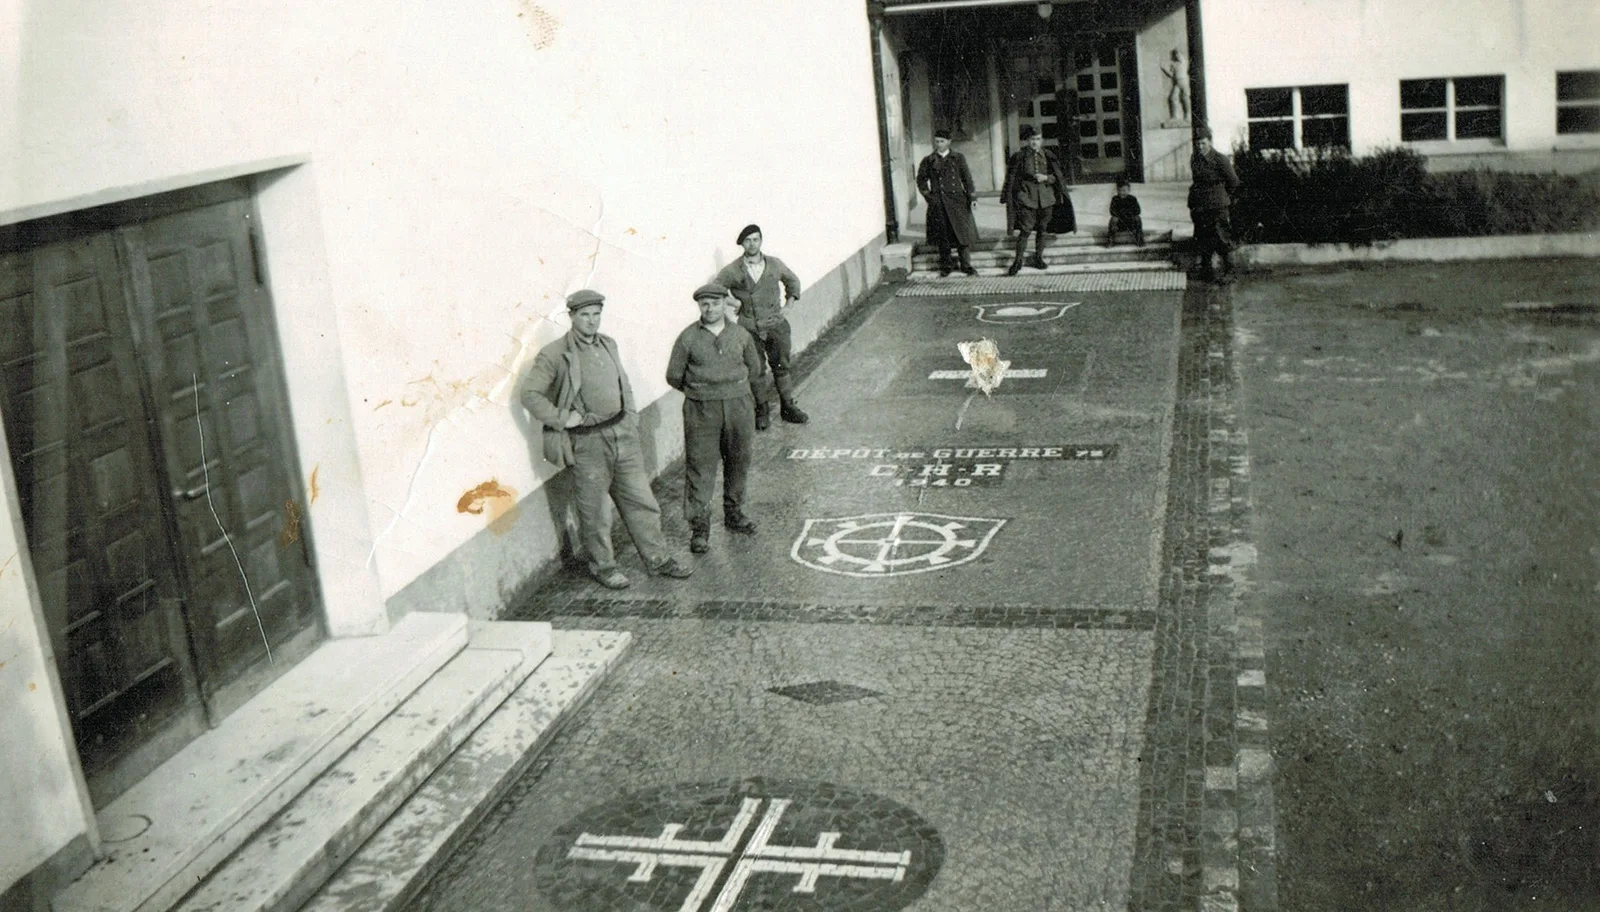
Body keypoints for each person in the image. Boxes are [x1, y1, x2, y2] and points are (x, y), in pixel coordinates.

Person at [520, 290, 694, 589]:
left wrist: (630, 417)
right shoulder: (554, 354)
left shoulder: (608, 344)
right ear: (571, 317)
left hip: (622, 436)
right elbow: (530, 394)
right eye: (584, 315)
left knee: (642, 501)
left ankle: (658, 558)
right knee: (595, 512)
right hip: (587, 444)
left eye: (596, 314)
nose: (591, 321)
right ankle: (604, 567)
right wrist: (563, 419)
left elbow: (622, 382)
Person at [666, 283, 766, 555]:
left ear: (725, 304)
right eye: (704, 304)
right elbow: (674, 375)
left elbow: (755, 369)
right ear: (700, 307)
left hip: (738, 405)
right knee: (700, 467)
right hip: (702, 410)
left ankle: (734, 513)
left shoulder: (741, 334)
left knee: (739, 459)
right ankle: (700, 528)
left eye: (715, 303)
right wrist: (702, 391)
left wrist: (733, 390)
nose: (710, 308)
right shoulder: (688, 338)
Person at [714, 225, 810, 429]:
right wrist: (735, 303)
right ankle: (762, 411)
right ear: (742, 244)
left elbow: (793, 281)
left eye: (756, 239)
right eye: (748, 240)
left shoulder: (774, 264)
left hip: (776, 324)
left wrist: (789, 304)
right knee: (755, 370)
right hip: (749, 328)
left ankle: (788, 407)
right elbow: (716, 288)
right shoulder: (734, 269)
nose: (752, 244)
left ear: (761, 241)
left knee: (782, 366)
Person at [1001, 125, 1073, 275]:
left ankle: (1038, 258)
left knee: (1042, 229)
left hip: (1046, 199)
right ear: (1027, 140)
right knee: (1025, 230)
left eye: (1038, 139)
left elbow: (1058, 177)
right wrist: (1019, 196)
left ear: (1042, 140)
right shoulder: (1019, 156)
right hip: (1027, 198)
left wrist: (1046, 177)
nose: (1035, 142)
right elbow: (1012, 178)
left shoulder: (1048, 155)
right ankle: (1018, 261)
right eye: (1032, 139)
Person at [915, 128, 980, 277]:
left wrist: (973, 198)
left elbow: (967, 179)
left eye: (942, 141)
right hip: (938, 203)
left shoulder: (958, 158)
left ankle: (966, 265)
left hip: (958, 201)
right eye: (937, 141)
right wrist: (929, 196)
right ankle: (946, 266)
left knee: (962, 235)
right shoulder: (929, 160)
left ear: (949, 142)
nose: (939, 144)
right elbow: (921, 180)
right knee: (943, 236)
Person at [1188, 127, 1242, 284]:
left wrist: (1223, 198)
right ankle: (1206, 271)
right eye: (1197, 143)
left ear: (1210, 142)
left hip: (1217, 205)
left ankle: (1229, 271)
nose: (1200, 146)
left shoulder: (1220, 159)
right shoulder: (1194, 159)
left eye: (1203, 143)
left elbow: (1234, 182)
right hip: (1200, 205)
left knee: (1222, 237)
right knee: (1203, 238)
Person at [1106, 177, 1145, 247]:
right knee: (1113, 219)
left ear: (1129, 190)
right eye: (1119, 190)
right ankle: (1110, 240)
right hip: (1119, 224)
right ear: (1117, 191)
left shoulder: (1132, 199)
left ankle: (1139, 239)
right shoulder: (1115, 199)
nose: (1122, 193)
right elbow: (1112, 211)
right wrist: (1120, 215)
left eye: (1124, 190)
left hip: (1130, 222)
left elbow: (1138, 210)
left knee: (1137, 218)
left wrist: (1128, 213)